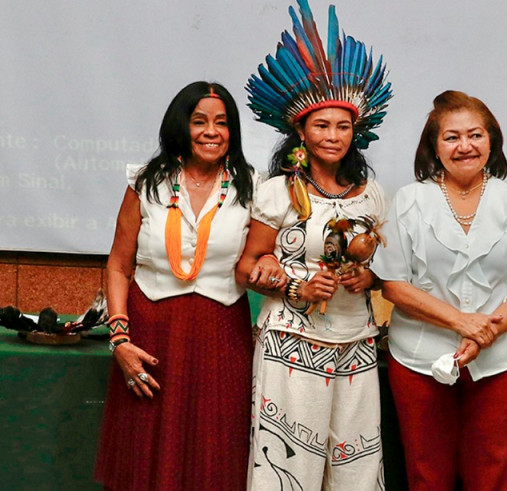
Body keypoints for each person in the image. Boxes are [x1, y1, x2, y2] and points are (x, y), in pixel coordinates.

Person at [237, 2, 393, 489]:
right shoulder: (277, 190)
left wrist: (367, 277)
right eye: (322, 126)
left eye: (343, 126)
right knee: (289, 469)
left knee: (357, 467)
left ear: (356, 132)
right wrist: (296, 285)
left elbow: (383, 270)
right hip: (291, 342)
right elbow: (247, 267)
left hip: (357, 342)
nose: (333, 136)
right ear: (300, 132)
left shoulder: (372, 193)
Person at [371, 90, 507, 491]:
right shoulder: (407, 200)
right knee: (426, 475)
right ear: (433, 147)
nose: (465, 146)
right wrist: (462, 323)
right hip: (420, 361)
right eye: (451, 137)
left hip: (505, 361)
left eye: (475, 135)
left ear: (492, 141)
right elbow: (394, 286)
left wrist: (486, 332)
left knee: (493, 476)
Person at [94, 81, 257, 490]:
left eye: (222, 123)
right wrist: (119, 339)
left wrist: (269, 260)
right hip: (151, 336)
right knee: (145, 454)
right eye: (199, 121)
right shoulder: (146, 182)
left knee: (215, 453)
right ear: (179, 126)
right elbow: (118, 265)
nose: (211, 131)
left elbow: (262, 254)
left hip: (222, 338)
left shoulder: (253, 186)